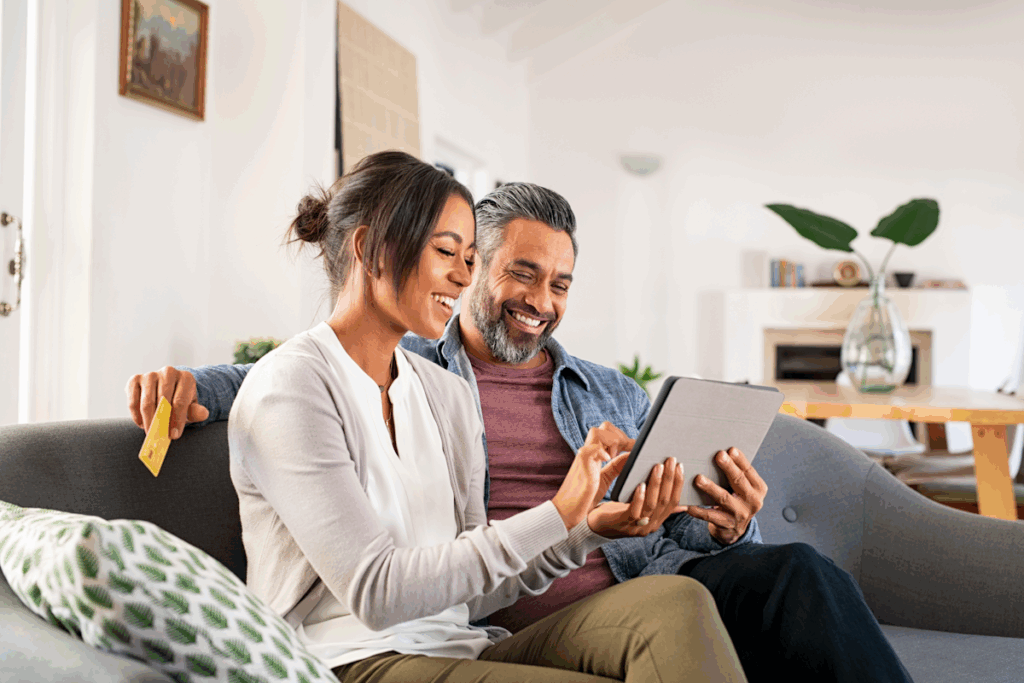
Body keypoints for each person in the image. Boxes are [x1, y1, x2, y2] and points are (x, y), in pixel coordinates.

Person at [128, 178, 913, 683]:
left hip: (598, 589)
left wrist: (712, 526)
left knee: (778, 577)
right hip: (423, 632)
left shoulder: (540, 391)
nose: (541, 298)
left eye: (561, 282)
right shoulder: (373, 370)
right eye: (517, 271)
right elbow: (299, 377)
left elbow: (648, 526)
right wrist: (194, 386)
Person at [217, 149, 748, 682]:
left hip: (460, 644)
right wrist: (558, 511)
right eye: (447, 251)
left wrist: (588, 529)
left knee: (675, 601)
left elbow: (479, 592)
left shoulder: (444, 395)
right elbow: (375, 593)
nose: (463, 276)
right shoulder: (291, 388)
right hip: (348, 660)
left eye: (471, 257)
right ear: (370, 249)